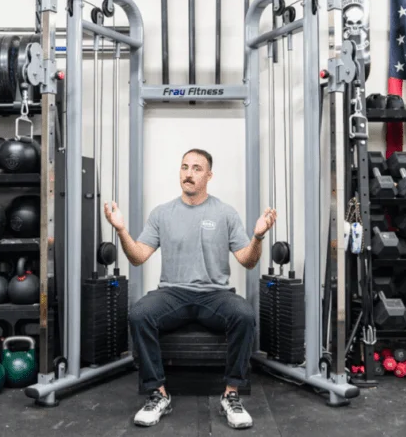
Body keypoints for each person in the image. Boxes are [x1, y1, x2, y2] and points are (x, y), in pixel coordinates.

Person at [103, 148, 276, 429]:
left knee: (244, 315)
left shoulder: (225, 213)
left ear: (209, 175)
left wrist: (257, 236)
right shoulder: (162, 213)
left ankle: (231, 394)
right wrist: (121, 230)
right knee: (139, 314)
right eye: (184, 167)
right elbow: (137, 256)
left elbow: (247, 260)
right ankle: (158, 394)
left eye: (197, 168)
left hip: (215, 294)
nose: (188, 173)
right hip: (173, 293)